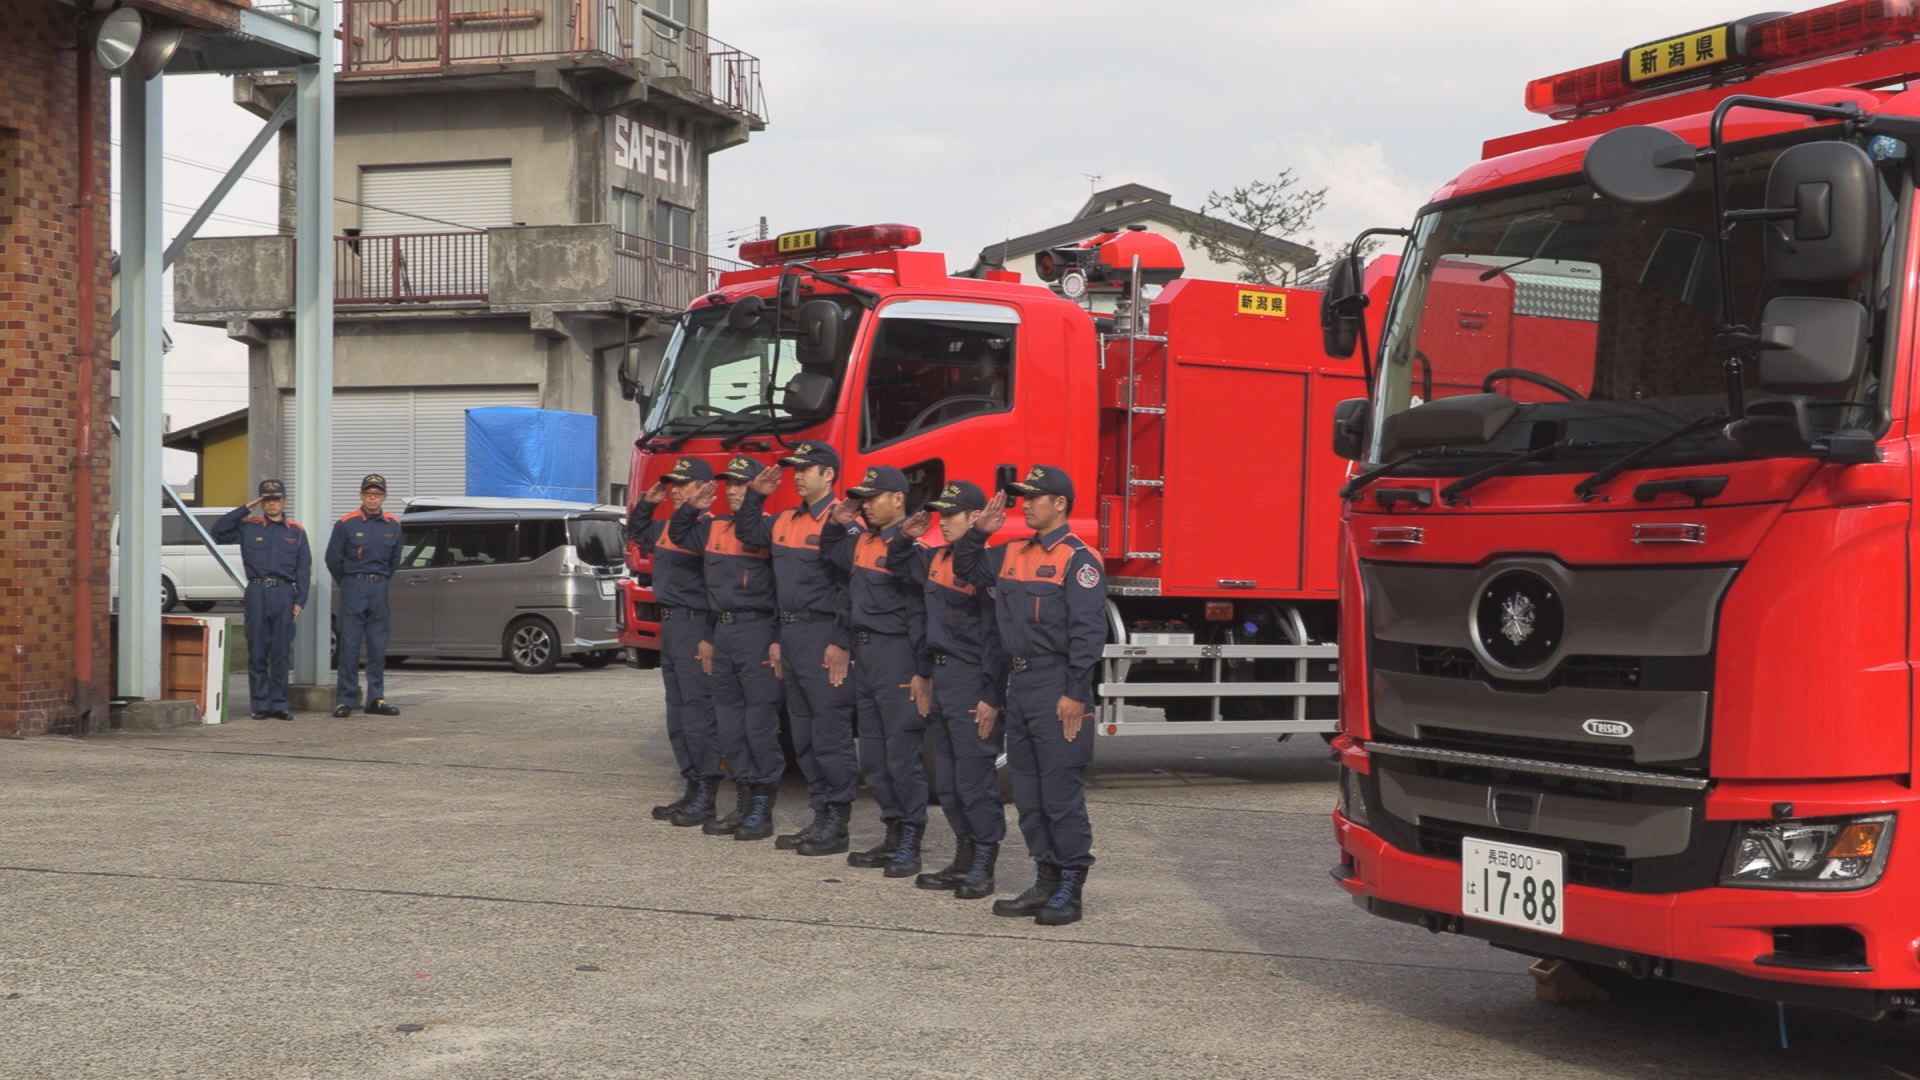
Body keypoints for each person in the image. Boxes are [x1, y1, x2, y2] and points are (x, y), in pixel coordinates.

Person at [951, 465, 1106, 926]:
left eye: (1035, 497)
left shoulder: (1078, 560)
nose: (1027, 504)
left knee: (1059, 794)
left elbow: (1088, 633)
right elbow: (965, 568)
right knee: (1028, 794)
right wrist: (978, 533)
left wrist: (1075, 692)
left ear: (1060, 503)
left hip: (1057, 686)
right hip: (1019, 686)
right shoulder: (1012, 552)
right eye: (1025, 497)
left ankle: (1070, 888)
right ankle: (1045, 880)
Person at [732, 443, 859, 857]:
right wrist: (756, 496)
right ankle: (819, 815)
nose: (797, 476)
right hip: (790, 636)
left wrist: (841, 642)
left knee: (830, 733)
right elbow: (749, 533)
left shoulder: (843, 523)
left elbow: (851, 590)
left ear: (828, 474)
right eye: (795, 470)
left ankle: (837, 823)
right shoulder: (786, 519)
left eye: (806, 469)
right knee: (803, 735)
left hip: (824, 637)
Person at [890, 481, 1008, 899]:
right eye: (941, 513)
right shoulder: (936, 558)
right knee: (950, 782)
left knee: (974, 780)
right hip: (942, 677)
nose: (942, 521)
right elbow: (899, 565)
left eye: (952, 514)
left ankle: (983, 865)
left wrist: (992, 695)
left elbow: (995, 638)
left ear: (975, 518)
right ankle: (963, 858)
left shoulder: (985, 567)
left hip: (971, 678)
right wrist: (904, 538)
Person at [822, 464, 933, 878]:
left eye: (873, 497)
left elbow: (920, 615)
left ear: (898, 499)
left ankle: (910, 840)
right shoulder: (862, 542)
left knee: (901, 758)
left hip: (897, 656)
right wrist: (836, 524)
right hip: (866, 656)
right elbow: (830, 554)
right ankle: (892, 832)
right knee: (873, 759)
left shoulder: (913, 550)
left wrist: (922, 670)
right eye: (863, 498)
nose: (865, 505)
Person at [669, 454, 785, 843]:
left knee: (758, 725)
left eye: (742, 484)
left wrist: (776, 638)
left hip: (756, 631)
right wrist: (691, 506)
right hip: (723, 631)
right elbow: (680, 534)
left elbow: (781, 586)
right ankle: (742, 801)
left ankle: (761, 808)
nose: (734, 490)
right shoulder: (714, 527)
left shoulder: (768, 528)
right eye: (730, 484)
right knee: (730, 725)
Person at [626, 457, 724, 826]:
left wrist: (710, 636)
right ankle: (692, 786)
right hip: (671, 626)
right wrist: (648, 502)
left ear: (704, 489)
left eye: (684, 484)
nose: (677, 491)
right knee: (678, 713)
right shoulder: (668, 527)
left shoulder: (708, 530)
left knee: (698, 713)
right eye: (674, 484)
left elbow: (718, 589)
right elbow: (637, 532)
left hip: (696, 625)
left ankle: (707, 793)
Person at [213, 479, 312, 721]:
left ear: (284, 501)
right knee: (257, 649)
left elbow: (303, 569)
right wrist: (245, 508)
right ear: (261, 502)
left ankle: (279, 704)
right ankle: (259, 704)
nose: (271, 504)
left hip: (284, 593)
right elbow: (218, 531)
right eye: (266, 500)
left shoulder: (296, 531)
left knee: (280, 651)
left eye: (275, 499)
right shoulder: (249, 526)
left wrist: (300, 601)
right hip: (257, 591)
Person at [325, 474, 404, 718]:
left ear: (384, 497)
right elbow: (332, 558)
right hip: (354, 586)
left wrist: (379, 580)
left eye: (377, 494)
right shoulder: (346, 523)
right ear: (361, 496)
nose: (372, 498)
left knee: (377, 646)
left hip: (379, 587)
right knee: (349, 645)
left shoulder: (393, 524)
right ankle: (345, 700)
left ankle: (376, 699)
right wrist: (349, 582)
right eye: (368, 494)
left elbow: (394, 560)